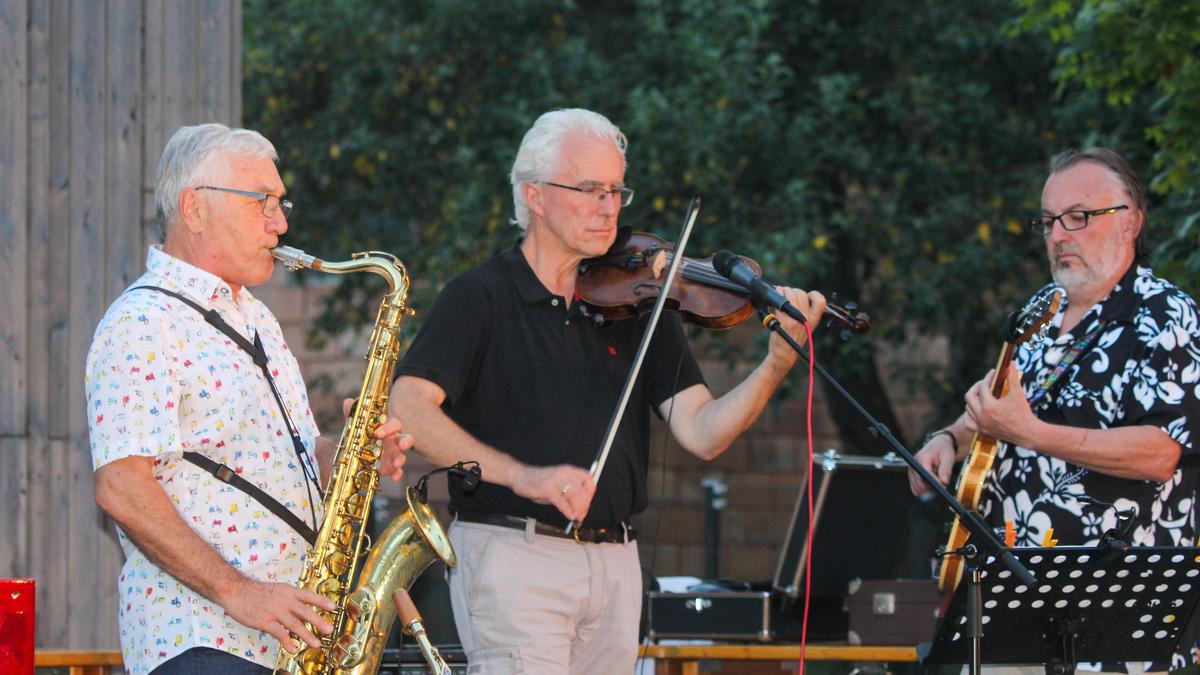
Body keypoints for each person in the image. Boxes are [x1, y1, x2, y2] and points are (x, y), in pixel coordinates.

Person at [387, 108, 826, 673]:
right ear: (536, 196)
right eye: (591, 189)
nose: (609, 207)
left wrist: (775, 365)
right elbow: (409, 407)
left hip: (617, 563)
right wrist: (526, 476)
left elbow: (702, 431)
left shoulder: (639, 305)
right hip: (516, 556)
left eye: (617, 190)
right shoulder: (479, 298)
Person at [86, 123, 412, 675]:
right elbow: (121, 486)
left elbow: (280, 464)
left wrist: (350, 457)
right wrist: (241, 592)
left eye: (281, 203)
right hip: (203, 638)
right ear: (194, 208)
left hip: (284, 641)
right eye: (263, 201)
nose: (281, 223)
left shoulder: (255, 317)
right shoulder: (143, 322)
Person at [909, 148, 1200, 671]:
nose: (1059, 234)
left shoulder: (1167, 315)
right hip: (1016, 609)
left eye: (1079, 217)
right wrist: (948, 439)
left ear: (1130, 221)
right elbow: (993, 409)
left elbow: (1161, 452)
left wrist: (1032, 433)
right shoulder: (1042, 310)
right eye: (1048, 222)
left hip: (1115, 616)